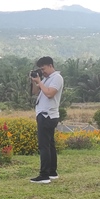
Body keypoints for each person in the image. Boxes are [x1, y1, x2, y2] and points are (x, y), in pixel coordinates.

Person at [30, 56, 64, 184]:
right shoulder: (46, 79)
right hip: (45, 115)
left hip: (47, 115)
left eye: (43, 69)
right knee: (50, 145)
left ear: (50, 65)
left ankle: (44, 175)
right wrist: (35, 81)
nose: (42, 71)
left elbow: (50, 93)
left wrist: (40, 82)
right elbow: (35, 92)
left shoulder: (57, 78)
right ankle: (52, 172)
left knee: (44, 146)